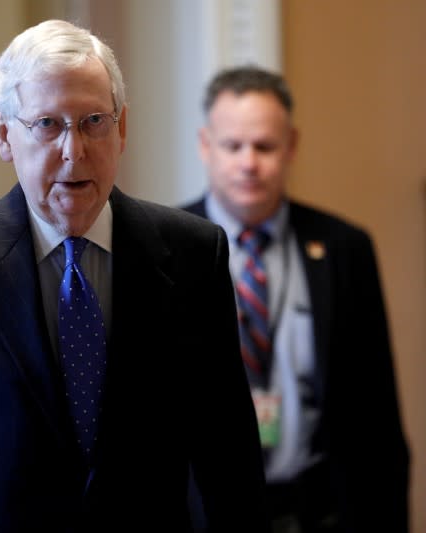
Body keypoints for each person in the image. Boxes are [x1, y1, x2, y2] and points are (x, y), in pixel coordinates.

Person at [0, 19, 268, 532]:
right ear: (4, 134)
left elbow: (231, 464)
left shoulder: (192, 253)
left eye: (94, 121)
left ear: (123, 128)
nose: (75, 150)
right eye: (47, 124)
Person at [181, 65, 410, 532]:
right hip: (208, 516)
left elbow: (377, 412)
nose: (249, 162)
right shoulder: (164, 248)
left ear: (291, 146)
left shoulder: (344, 248)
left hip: (320, 510)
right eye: (233, 146)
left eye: (264, 146)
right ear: (206, 146)